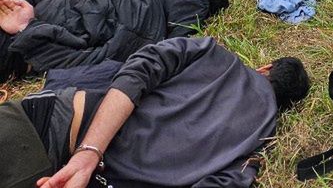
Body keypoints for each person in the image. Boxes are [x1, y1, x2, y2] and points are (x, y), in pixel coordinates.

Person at [0, 36, 311, 188]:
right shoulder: (259, 143)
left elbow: (140, 69)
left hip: (49, 124)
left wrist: (88, 152)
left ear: (265, 68)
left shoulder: (214, 54)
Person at [0, 0, 229, 82]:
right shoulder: (143, 39)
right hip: (21, 37)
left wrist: (27, 4)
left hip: (19, 34)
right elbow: (82, 63)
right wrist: (25, 24)